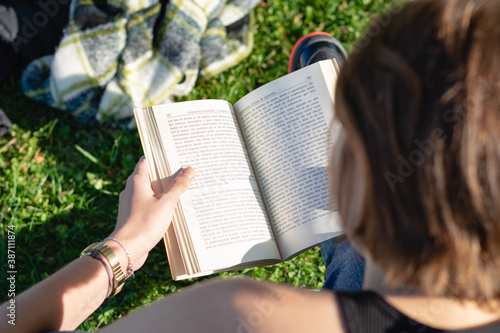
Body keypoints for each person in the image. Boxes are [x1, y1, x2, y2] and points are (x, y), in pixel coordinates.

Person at [2, 0, 500, 331]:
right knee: (359, 266)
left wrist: (122, 248)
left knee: (355, 258)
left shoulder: (233, 315)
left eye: (341, 122)